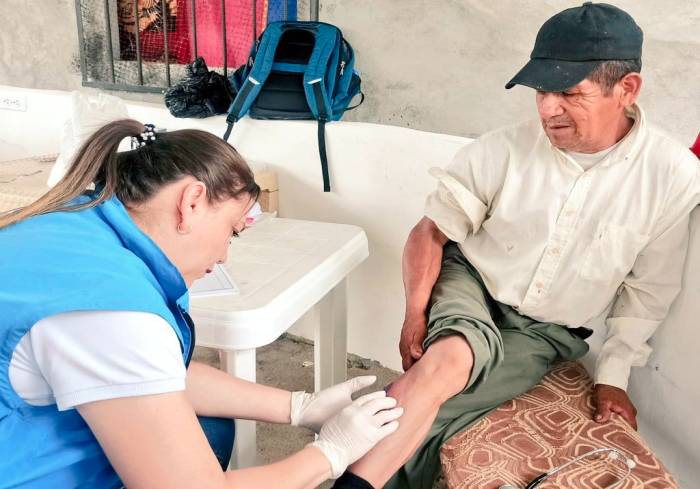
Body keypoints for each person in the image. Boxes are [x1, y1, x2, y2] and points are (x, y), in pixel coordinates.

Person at [332, 3, 700, 489]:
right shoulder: (503, 149)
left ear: (626, 89)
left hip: (546, 331)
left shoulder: (673, 177)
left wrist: (613, 375)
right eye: (542, 90)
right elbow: (431, 232)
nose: (549, 108)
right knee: (450, 359)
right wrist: (415, 315)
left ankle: (341, 465)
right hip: (473, 284)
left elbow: (648, 290)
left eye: (569, 92)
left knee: (443, 409)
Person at [0, 120, 403, 488]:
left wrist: (298, 406)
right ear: (192, 201)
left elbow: (151, 374)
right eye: (232, 231)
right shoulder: (110, 311)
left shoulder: (71, 221)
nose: (226, 255)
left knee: (211, 428)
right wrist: (328, 455)